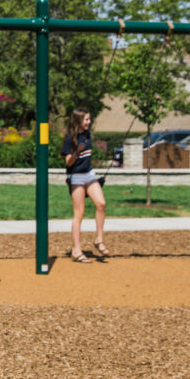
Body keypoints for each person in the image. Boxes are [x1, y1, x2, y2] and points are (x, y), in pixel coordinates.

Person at [62, 107, 108, 263]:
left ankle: (99, 240)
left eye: (89, 119)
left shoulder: (87, 134)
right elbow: (68, 162)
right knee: (79, 214)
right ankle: (76, 250)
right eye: (86, 119)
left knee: (101, 204)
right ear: (78, 121)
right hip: (75, 176)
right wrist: (77, 152)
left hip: (88, 173)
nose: (89, 122)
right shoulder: (70, 138)